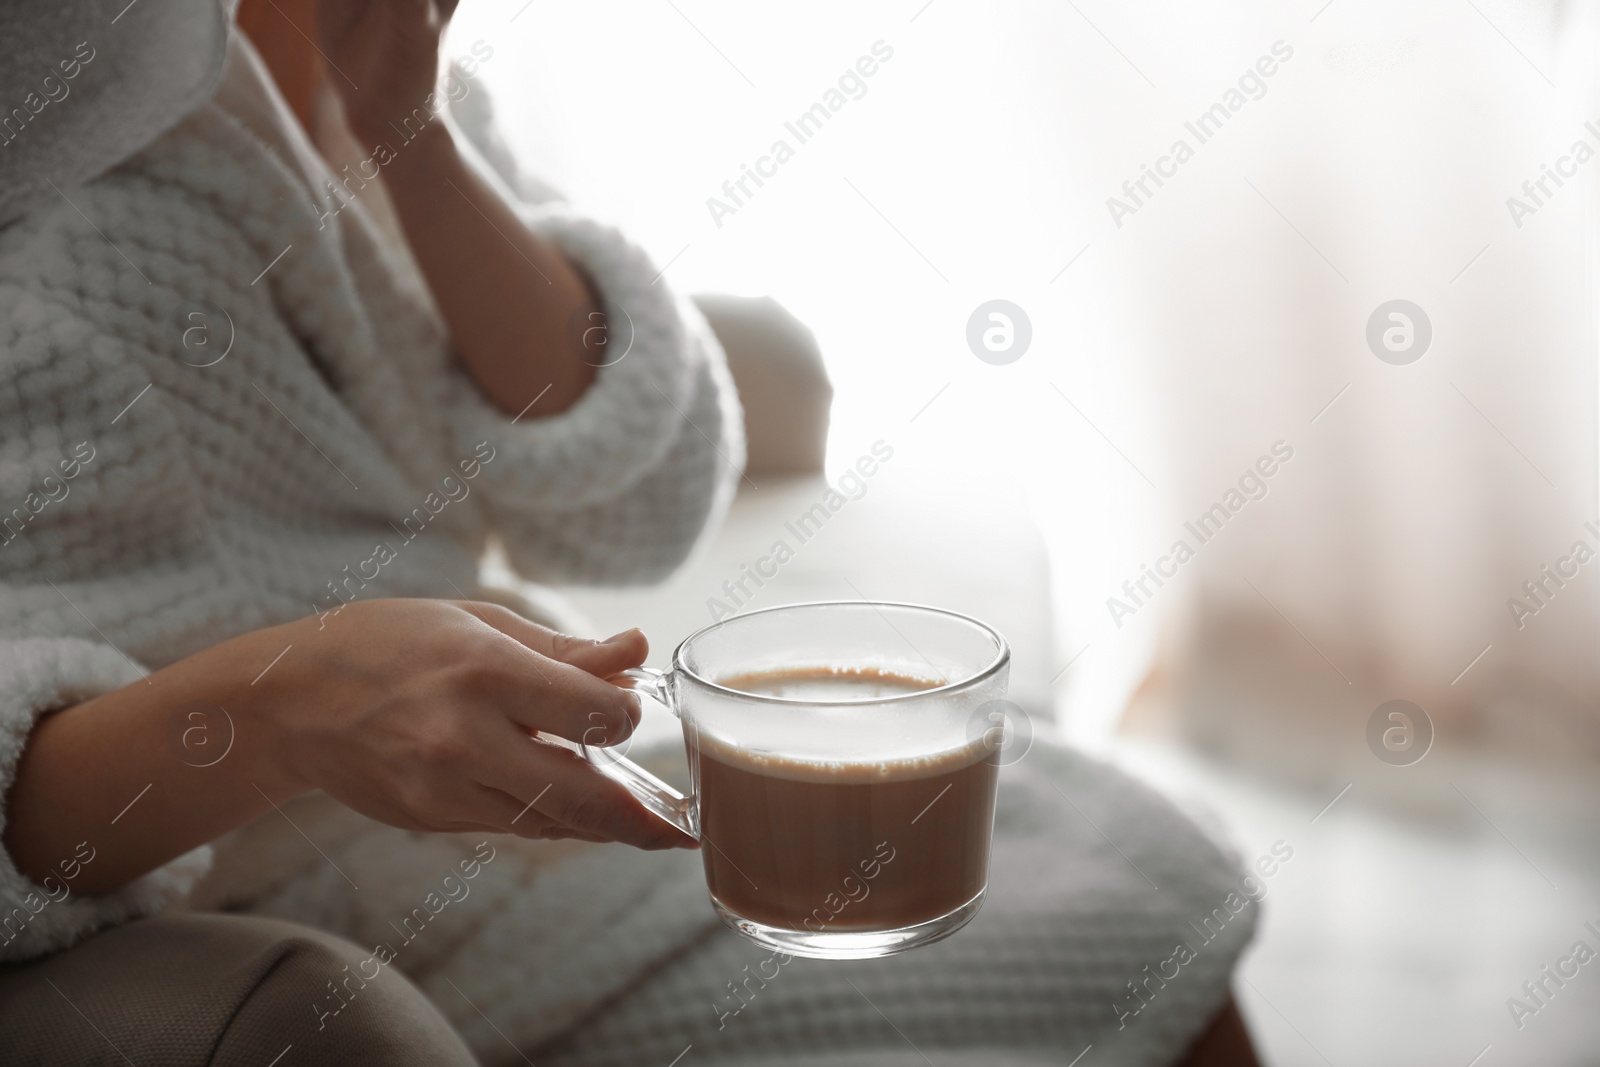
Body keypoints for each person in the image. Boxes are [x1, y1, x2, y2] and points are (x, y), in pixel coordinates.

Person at [0, 2, 1261, 1064]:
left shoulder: (329, 33)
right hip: (283, 893)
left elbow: (635, 504)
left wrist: (408, 131)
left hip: (491, 783)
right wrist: (287, 703)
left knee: (1110, 849)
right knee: (1111, 919)